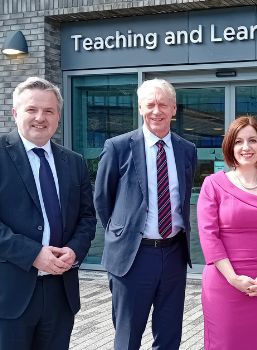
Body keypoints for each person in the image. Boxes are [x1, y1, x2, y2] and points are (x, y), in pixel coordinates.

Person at [0, 76, 97, 350]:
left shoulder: (74, 162)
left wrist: (74, 250)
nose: (40, 118)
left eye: (49, 111)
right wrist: (33, 254)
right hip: (4, 294)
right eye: (32, 109)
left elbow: (87, 218)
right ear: (15, 113)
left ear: (58, 116)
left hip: (59, 292)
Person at [93, 78, 197, 350]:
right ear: (140, 108)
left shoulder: (187, 150)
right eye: (150, 104)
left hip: (174, 254)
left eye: (163, 104)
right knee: (128, 337)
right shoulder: (118, 147)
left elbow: (182, 199)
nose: (156, 111)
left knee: (169, 334)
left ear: (174, 109)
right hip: (132, 256)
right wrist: (123, 233)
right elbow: (103, 199)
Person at [196, 116, 257, 350]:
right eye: (238, 141)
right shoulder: (213, 184)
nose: (246, 147)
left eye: (253, 140)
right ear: (230, 146)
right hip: (224, 283)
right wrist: (233, 278)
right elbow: (209, 235)